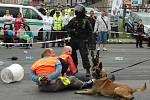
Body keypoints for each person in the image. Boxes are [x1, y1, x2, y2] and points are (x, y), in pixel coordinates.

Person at [67, 4, 93, 77]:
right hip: (74, 40)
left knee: (84, 55)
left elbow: (90, 32)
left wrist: (89, 41)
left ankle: (87, 69)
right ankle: (74, 69)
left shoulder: (86, 21)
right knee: (73, 55)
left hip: (82, 40)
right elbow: (67, 28)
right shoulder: (73, 20)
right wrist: (72, 31)